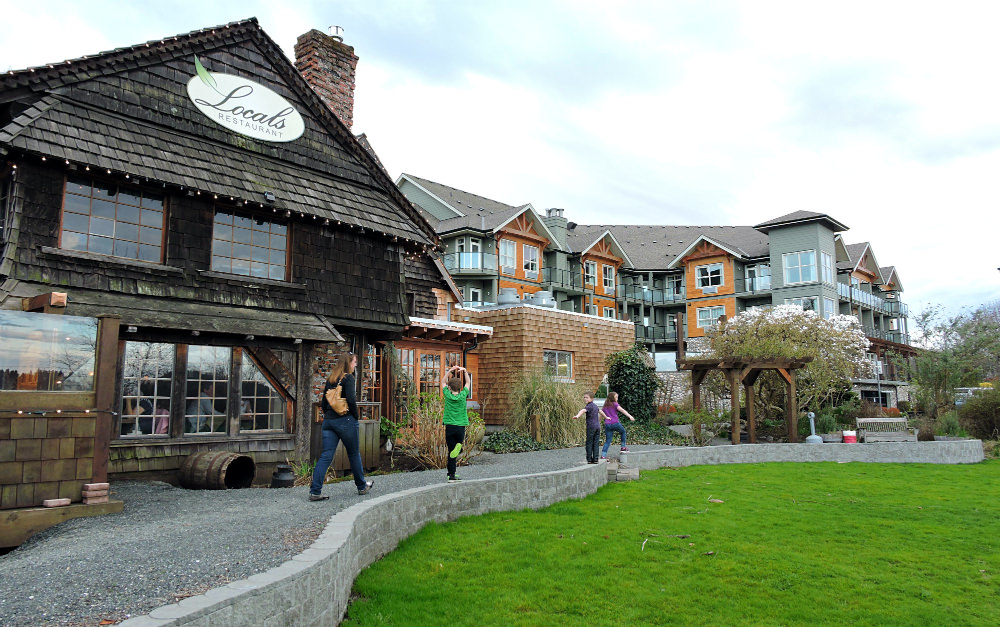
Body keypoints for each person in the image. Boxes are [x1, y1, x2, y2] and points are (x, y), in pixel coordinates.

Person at [309, 352, 374, 501]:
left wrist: (329, 416)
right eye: (354, 362)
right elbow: (351, 400)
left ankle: (315, 491)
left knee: (325, 456)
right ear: (348, 363)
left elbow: (324, 403)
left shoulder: (331, 379)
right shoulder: (348, 378)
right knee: (353, 453)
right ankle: (362, 486)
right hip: (345, 421)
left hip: (329, 422)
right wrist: (355, 417)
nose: (355, 364)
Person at [441, 364, 471, 483]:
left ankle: (451, 475)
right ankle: (460, 445)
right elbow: (468, 383)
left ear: (449, 387)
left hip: (450, 426)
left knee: (451, 452)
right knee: (456, 448)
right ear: (460, 388)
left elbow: (442, 382)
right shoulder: (463, 395)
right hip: (460, 426)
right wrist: (464, 371)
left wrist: (449, 371)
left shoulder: (447, 395)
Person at [600, 391, 636, 458]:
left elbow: (601, 416)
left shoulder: (605, 406)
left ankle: (603, 455)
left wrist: (598, 423)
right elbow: (622, 410)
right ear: (612, 398)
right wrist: (630, 416)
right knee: (623, 432)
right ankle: (623, 447)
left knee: (608, 441)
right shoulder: (615, 404)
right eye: (616, 397)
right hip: (615, 423)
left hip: (607, 425)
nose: (617, 399)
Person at [572, 392, 604, 464]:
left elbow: (583, 410)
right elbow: (601, 411)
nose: (585, 399)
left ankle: (589, 459)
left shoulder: (589, 406)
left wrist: (577, 416)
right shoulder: (595, 406)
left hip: (591, 427)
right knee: (596, 443)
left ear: (592, 399)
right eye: (584, 397)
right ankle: (595, 459)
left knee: (589, 443)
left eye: (587, 397)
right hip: (597, 427)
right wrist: (606, 417)